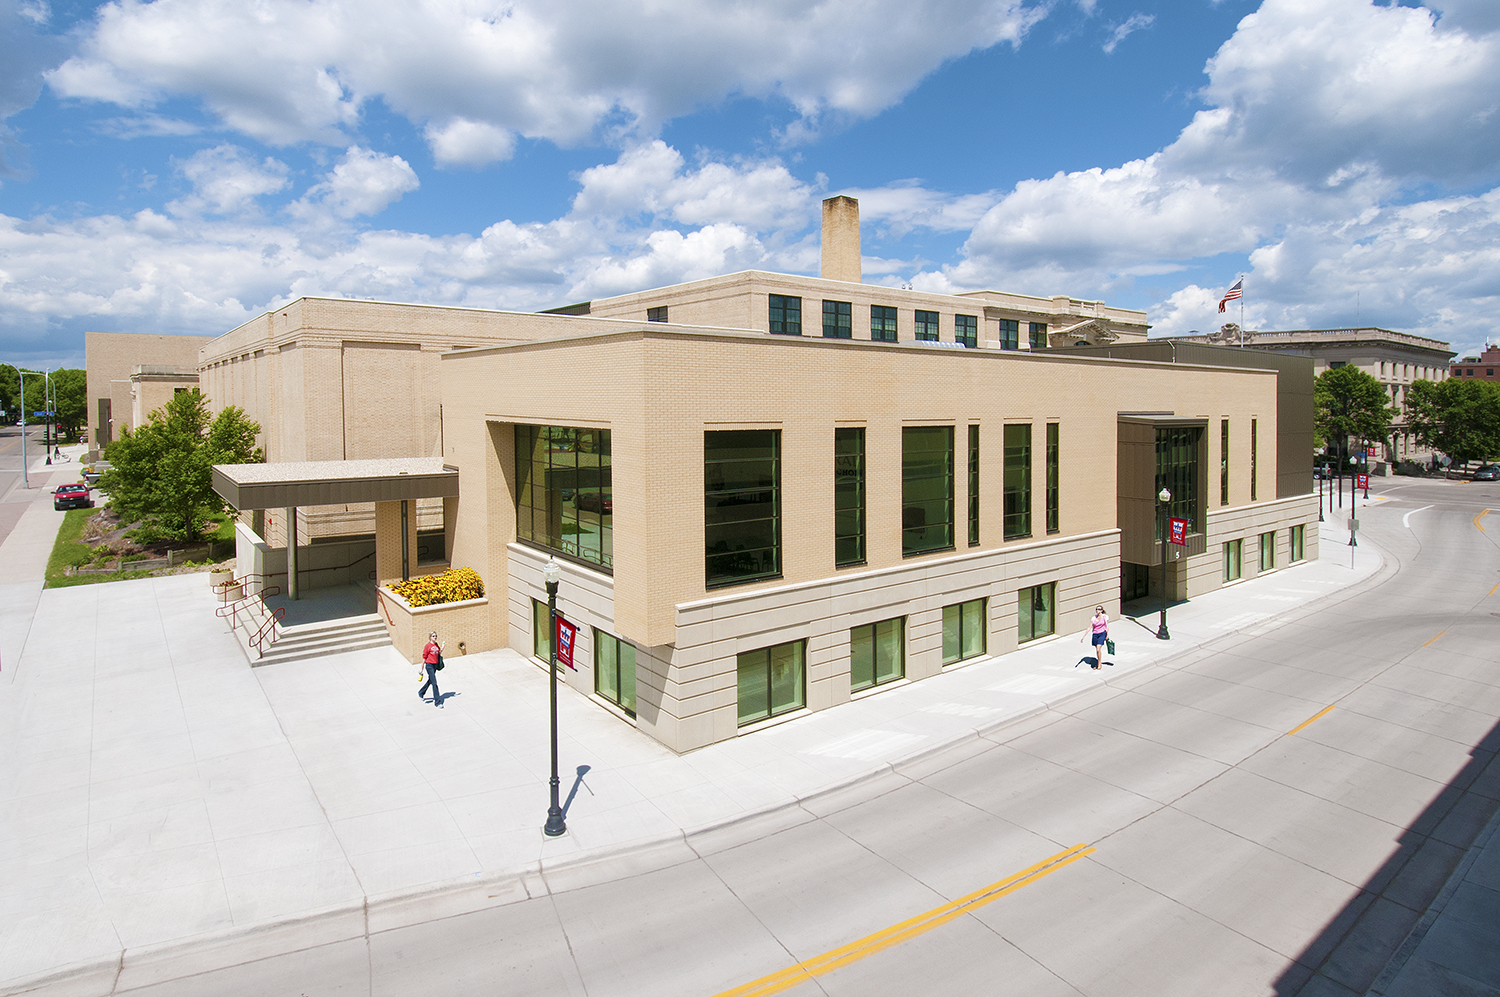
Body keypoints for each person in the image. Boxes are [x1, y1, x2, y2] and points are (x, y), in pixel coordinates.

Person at [419, 631, 445, 707]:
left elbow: (438, 653)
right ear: (430, 637)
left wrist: (442, 649)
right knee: (434, 683)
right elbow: (424, 657)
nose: (435, 637)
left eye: (436, 636)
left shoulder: (436, 645)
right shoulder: (427, 646)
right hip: (429, 665)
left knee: (430, 680)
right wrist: (421, 669)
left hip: (435, 665)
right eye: (433, 636)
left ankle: (421, 693)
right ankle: (438, 702)